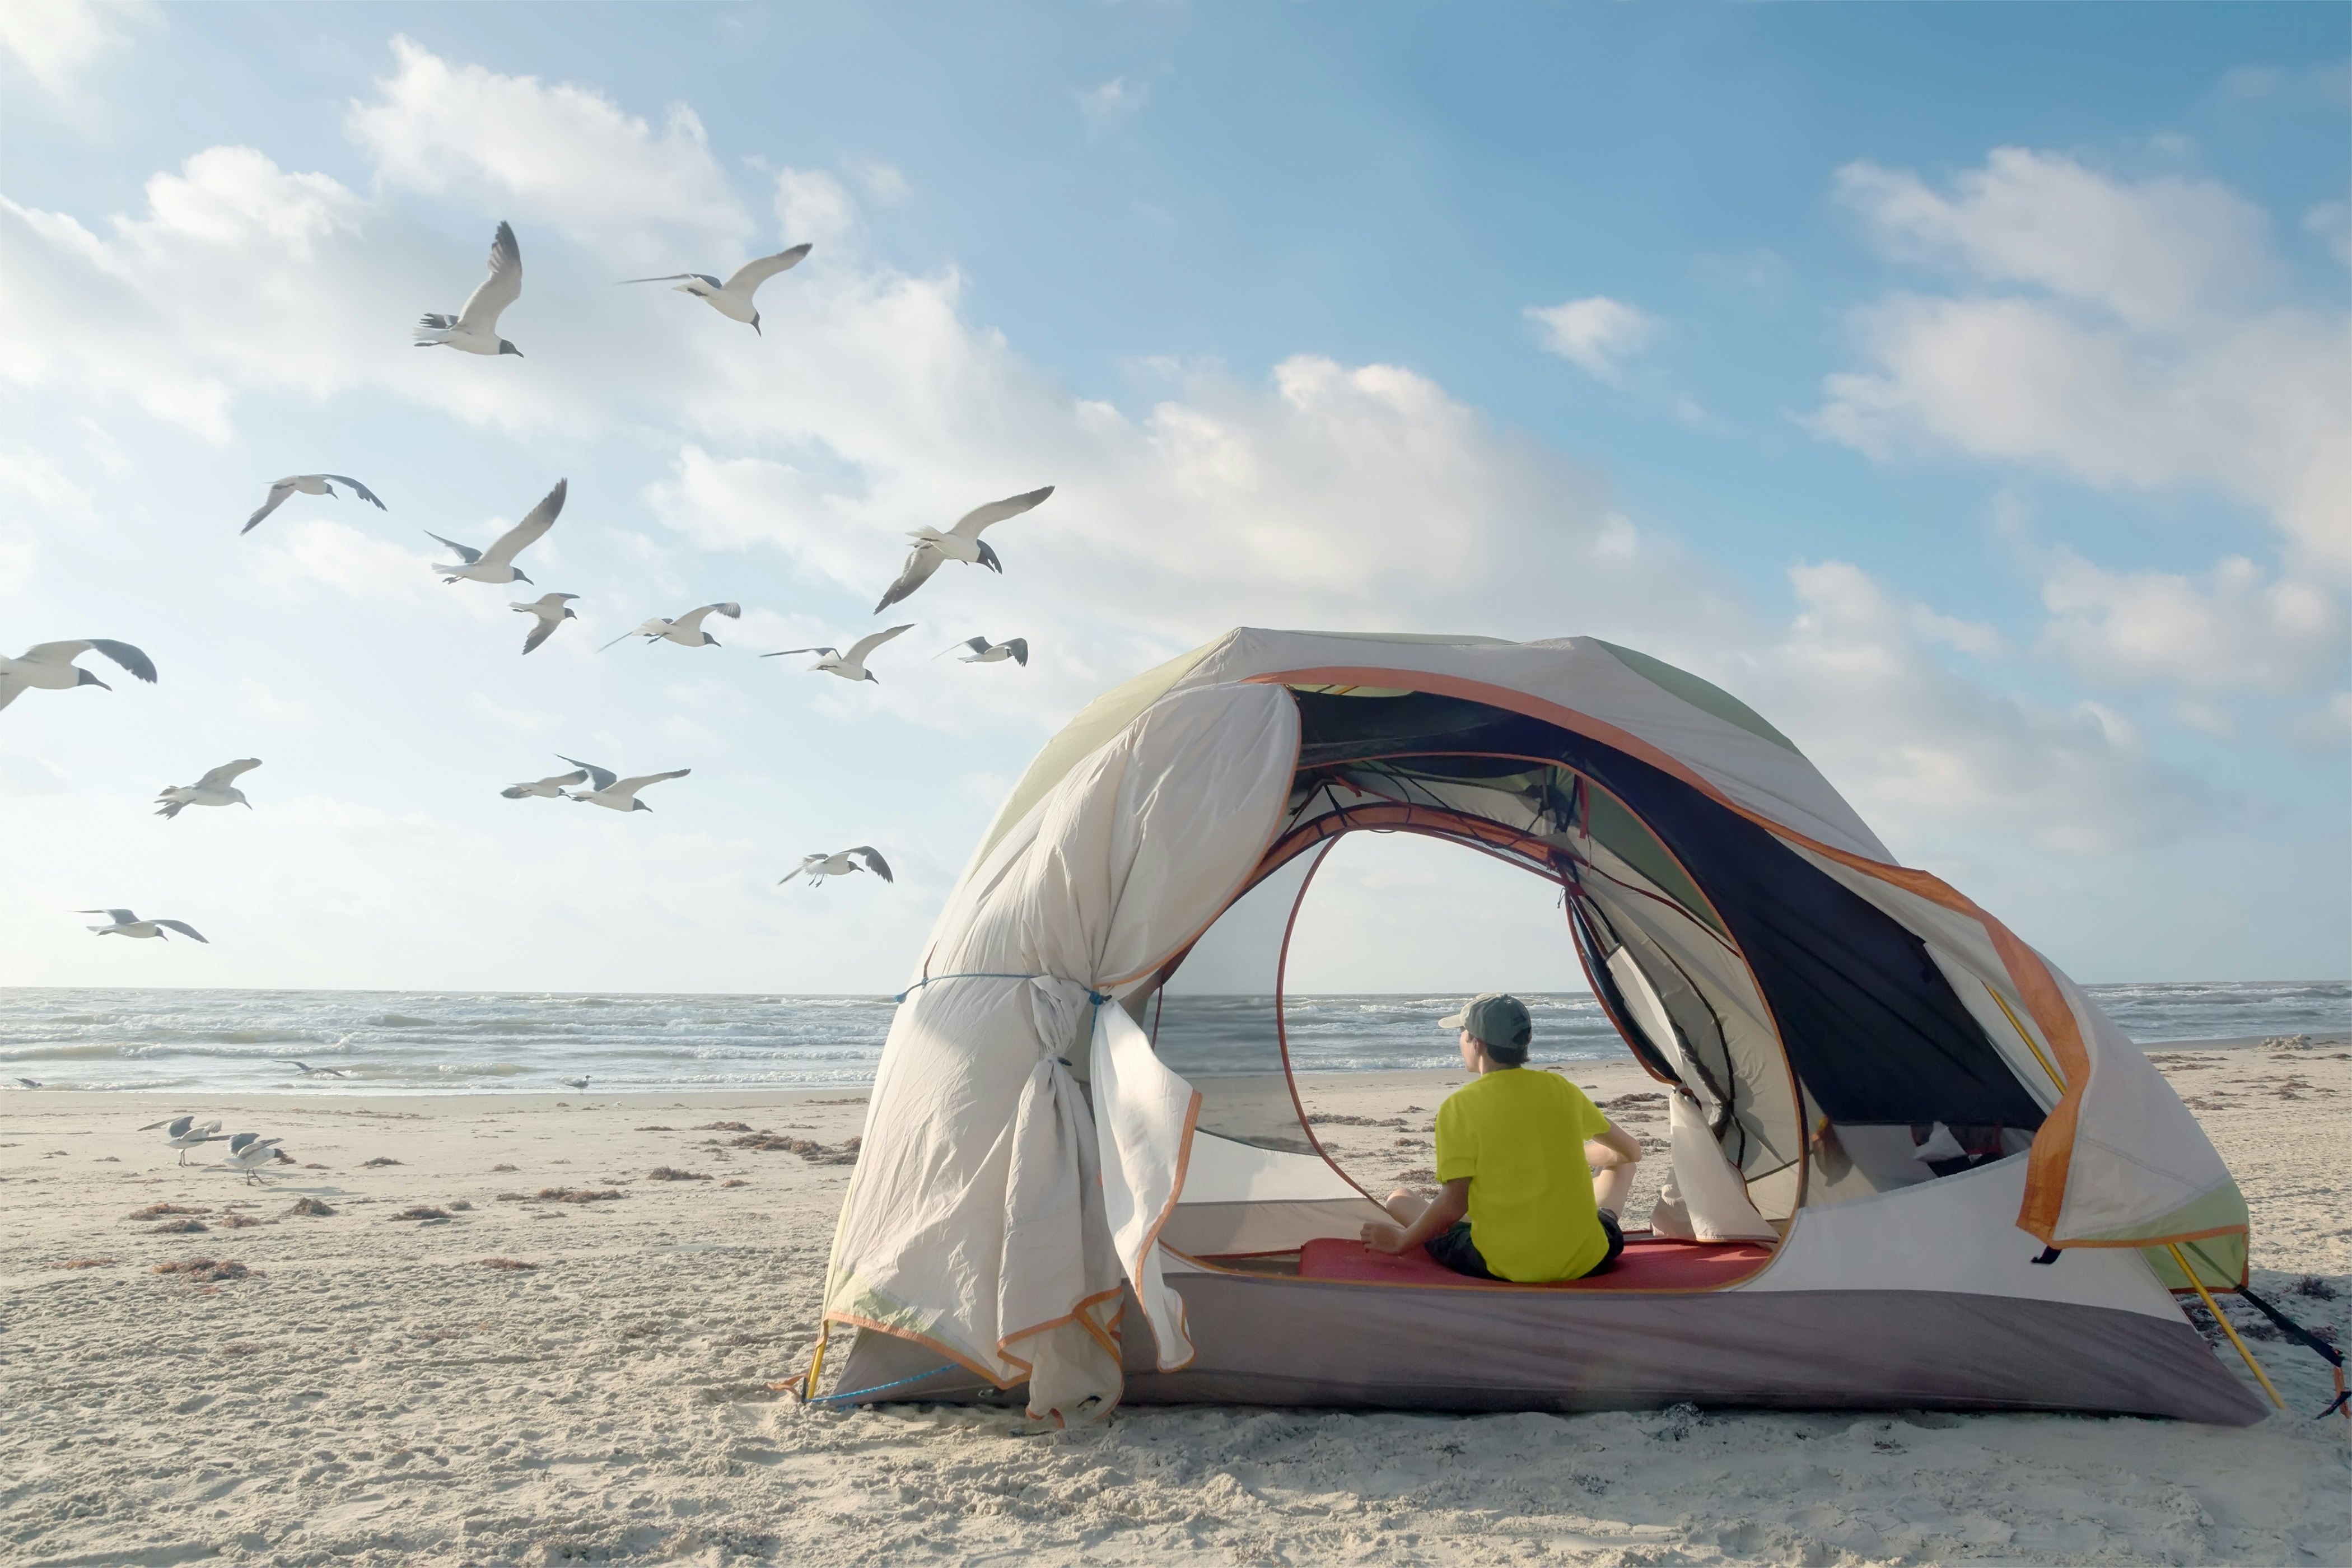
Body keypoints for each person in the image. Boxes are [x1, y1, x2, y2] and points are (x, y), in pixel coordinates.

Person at [1360, 992, 1641, 1282]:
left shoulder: (1460, 1107)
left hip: (1505, 1264)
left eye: (1462, 1032)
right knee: (1621, 1166)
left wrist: (1402, 1242)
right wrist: (1567, 1154)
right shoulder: (1561, 1088)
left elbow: (1455, 1204)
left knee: (1399, 1199)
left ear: (1476, 1043)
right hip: (1587, 1259)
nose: (1460, 1040)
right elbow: (1631, 1152)